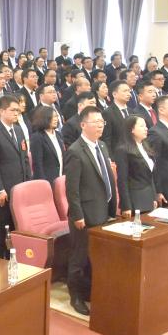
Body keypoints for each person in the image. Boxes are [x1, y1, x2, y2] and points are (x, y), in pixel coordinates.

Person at [64, 106, 118, 316]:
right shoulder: (75, 151)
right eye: (95, 122)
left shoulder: (101, 146)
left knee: (95, 256)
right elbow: (72, 189)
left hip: (102, 209)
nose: (100, 126)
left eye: (102, 122)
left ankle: (88, 291)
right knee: (79, 257)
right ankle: (75, 297)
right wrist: (77, 215)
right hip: (84, 214)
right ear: (83, 125)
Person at [0, 95, 32, 243]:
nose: (16, 113)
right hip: (5, 187)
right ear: (2, 111)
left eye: (18, 110)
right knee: (3, 224)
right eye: (13, 110)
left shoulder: (18, 130)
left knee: (19, 224)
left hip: (21, 185)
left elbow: (25, 158)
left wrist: (28, 182)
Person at [118, 115, 158, 214]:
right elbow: (122, 180)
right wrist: (126, 206)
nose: (146, 128)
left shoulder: (145, 146)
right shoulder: (123, 150)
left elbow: (150, 175)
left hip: (148, 197)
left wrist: (154, 197)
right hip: (135, 200)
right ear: (132, 129)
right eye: (141, 126)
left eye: (146, 126)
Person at [29, 105, 63, 182]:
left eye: (56, 116)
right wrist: (43, 182)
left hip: (60, 178)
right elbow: (37, 164)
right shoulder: (37, 137)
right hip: (47, 180)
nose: (56, 119)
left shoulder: (58, 135)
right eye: (52, 117)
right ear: (44, 118)